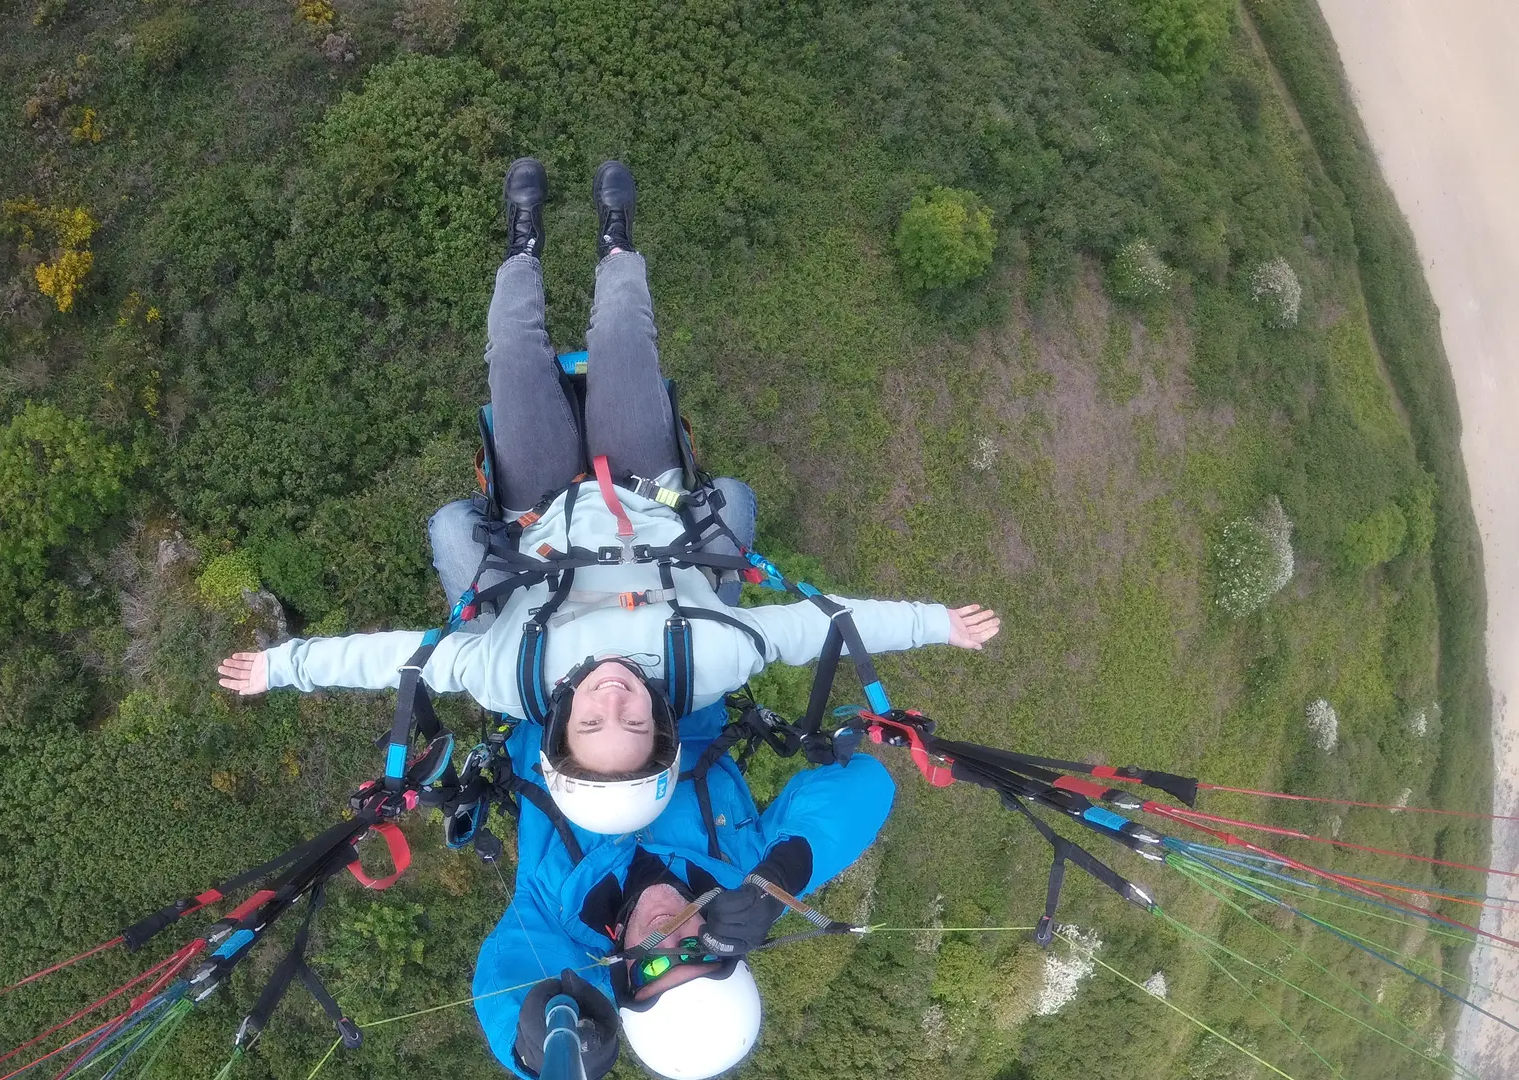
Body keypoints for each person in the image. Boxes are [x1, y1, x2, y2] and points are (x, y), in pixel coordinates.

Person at [216, 157, 1001, 837]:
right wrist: (936, 624)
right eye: (636, 722)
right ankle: (615, 238)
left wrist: (285, 666)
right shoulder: (710, 660)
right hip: (646, 490)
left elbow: (392, 660)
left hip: (539, 513)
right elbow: (824, 624)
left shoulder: (507, 678)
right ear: (665, 723)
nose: (614, 699)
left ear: (557, 725)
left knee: (513, 357)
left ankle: (522, 243)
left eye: (591, 723)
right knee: (625, 329)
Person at [470, 683, 901, 1079]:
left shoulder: (557, 915)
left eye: (655, 963)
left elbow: (508, 978)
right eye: (695, 950)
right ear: (726, 940)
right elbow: (866, 782)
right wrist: (784, 871)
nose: (665, 937)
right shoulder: (747, 878)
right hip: (677, 679)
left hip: (542, 695)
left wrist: (535, 1047)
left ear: (624, 970)